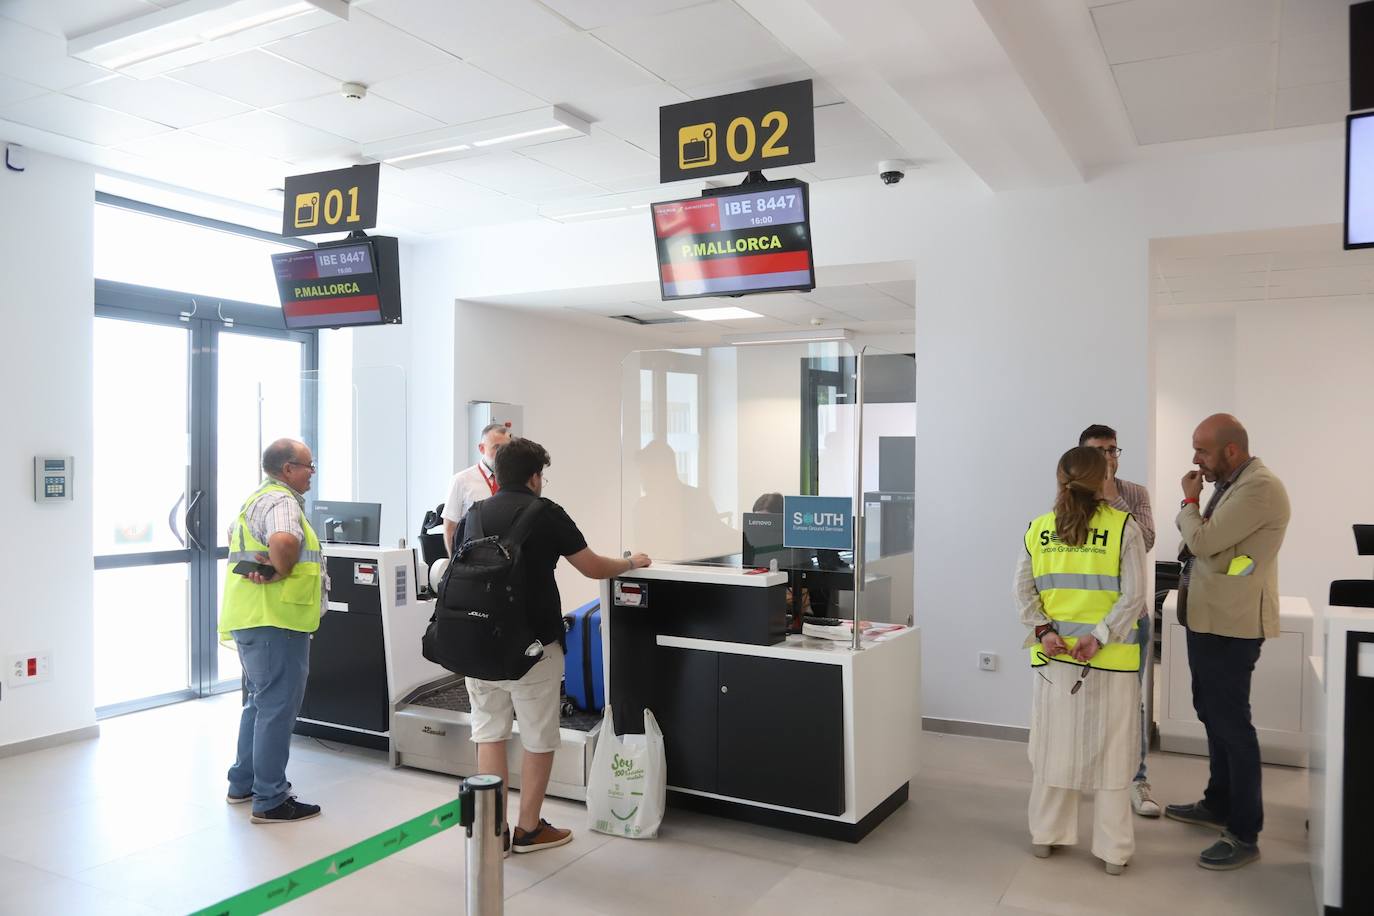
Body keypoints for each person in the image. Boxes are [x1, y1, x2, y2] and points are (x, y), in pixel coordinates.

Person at [454, 436, 650, 854]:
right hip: (533, 647)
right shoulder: (546, 513)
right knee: (538, 736)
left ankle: (492, 834)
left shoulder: (475, 513)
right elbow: (593, 566)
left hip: (477, 643)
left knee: (488, 734)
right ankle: (529, 829)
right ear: (535, 477)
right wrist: (632, 562)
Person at [1165, 414, 1289, 871]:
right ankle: (1218, 803)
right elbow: (1211, 547)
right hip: (1209, 619)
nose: (1195, 459)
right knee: (1211, 714)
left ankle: (1244, 831)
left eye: (1202, 450)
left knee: (1233, 726)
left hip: (1232, 626)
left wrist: (1188, 500)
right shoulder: (1231, 483)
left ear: (1231, 450)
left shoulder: (1260, 488)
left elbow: (1201, 540)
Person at [1018, 446, 1146, 875]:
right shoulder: (1124, 528)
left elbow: (1023, 590)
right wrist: (1099, 636)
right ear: (1103, 479)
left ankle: (1045, 835)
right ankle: (1113, 852)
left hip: (1054, 660)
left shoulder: (1038, 529)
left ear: (1061, 480)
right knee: (1112, 755)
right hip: (1109, 661)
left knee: (1055, 747)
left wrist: (1045, 631)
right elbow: (1135, 597)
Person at [221, 438, 327, 824]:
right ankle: (270, 798)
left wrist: (263, 562)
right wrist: (280, 569)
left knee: (258, 704)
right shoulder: (282, 503)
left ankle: (244, 784)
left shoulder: (254, 499)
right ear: (288, 469)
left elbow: (232, 535)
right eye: (308, 466)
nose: (312, 473)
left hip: (251, 619)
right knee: (277, 708)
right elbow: (284, 539)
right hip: (277, 621)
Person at [1078, 424, 1158, 818]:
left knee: (1130, 702)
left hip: (1129, 619)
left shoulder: (1134, 494)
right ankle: (1085, 773)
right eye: (1098, 450)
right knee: (1082, 699)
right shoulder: (1072, 494)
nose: (1108, 457)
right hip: (1082, 620)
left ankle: (1135, 779)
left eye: (1112, 449)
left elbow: (1145, 542)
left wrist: (1112, 499)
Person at [442, 422, 512, 555]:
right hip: (474, 560)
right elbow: (450, 527)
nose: (502, 454)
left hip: (507, 559)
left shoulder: (514, 480)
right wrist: (454, 564)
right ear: (481, 448)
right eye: (496, 447)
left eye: (506, 448)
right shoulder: (461, 480)